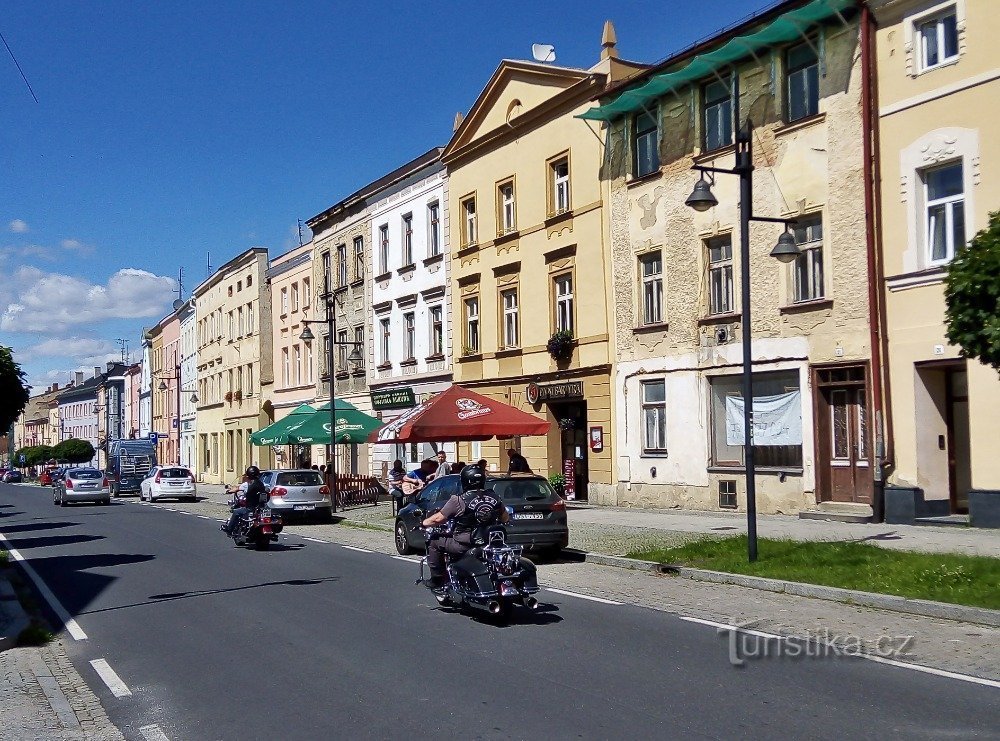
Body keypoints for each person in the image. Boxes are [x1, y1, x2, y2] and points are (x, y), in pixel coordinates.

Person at [422, 464, 509, 591]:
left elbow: (438, 518)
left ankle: (437, 578)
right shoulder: (495, 497)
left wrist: (424, 522)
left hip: (464, 544)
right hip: (488, 543)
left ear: (465, 481)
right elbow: (505, 518)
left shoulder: (459, 500)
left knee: (434, 541)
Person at [223, 466, 268, 535]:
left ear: (248, 475)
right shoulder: (261, 484)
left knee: (236, 512)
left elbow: (236, 489)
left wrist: (229, 491)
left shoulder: (247, 484)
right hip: (260, 508)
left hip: (250, 508)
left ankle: (229, 529)